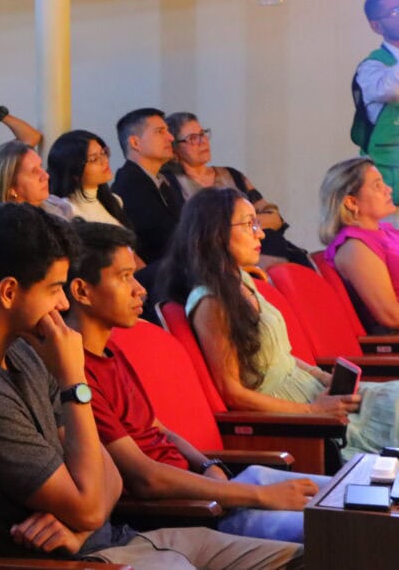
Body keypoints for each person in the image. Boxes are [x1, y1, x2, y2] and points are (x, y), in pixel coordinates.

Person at [0, 202, 303, 568]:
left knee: (307, 555)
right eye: (54, 289)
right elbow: (90, 505)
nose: (63, 304)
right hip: (89, 563)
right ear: (8, 292)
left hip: (121, 540)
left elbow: (111, 479)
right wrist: (73, 381)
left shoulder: (24, 351)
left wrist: (80, 526)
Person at [68, 221, 326, 543]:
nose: (140, 289)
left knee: (341, 494)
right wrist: (259, 496)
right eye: (124, 277)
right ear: (82, 291)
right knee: (340, 529)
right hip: (188, 510)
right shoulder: (74, 373)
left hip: (210, 487)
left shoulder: (111, 349)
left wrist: (207, 465)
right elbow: (145, 478)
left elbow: (156, 428)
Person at [162, 186, 399, 461]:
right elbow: (233, 393)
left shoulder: (242, 280)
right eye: (249, 225)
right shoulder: (212, 302)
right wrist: (314, 412)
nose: (261, 233)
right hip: (293, 416)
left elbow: (279, 356)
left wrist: (323, 377)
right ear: (216, 233)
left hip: (312, 392)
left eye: (258, 223)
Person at [163, 111, 309, 268]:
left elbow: (275, 218)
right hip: (215, 260)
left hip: (262, 246)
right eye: (192, 138)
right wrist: (246, 224)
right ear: (174, 148)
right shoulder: (171, 183)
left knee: (281, 249)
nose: (202, 141)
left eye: (202, 134)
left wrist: (241, 226)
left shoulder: (232, 175)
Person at [321, 157, 399, 333]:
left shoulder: (387, 231)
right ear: (351, 202)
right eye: (377, 186)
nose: (388, 189)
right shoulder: (354, 248)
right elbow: (391, 316)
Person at [111, 107, 182, 264]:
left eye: (168, 131)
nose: (171, 137)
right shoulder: (128, 188)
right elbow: (160, 240)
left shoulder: (162, 182)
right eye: (160, 132)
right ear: (135, 143)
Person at [352, 0, 399, 203]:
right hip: (389, 195)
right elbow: (392, 90)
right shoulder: (372, 68)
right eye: (396, 11)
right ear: (376, 26)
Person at [46, 129, 132, 227]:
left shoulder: (114, 201)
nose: (104, 161)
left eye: (103, 153)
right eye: (94, 159)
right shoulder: (67, 210)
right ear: (74, 171)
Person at [0, 140, 74, 220]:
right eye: (34, 172)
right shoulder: (3, 228)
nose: (46, 176)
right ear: (10, 187)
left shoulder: (60, 207)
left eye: (40, 166)